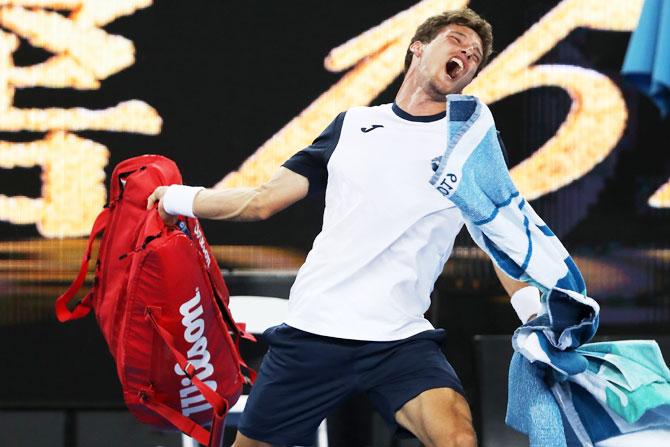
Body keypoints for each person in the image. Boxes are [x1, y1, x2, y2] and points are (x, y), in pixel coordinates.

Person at [148, 8, 541, 447]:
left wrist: (535, 315)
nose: (466, 55)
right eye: (456, 41)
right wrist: (179, 198)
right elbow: (262, 202)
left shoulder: (471, 144)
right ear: (418, 48)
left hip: (400, 340)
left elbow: (500, 236)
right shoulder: (352, 127)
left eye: (475, 56)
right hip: (314, 333)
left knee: (458, 439)